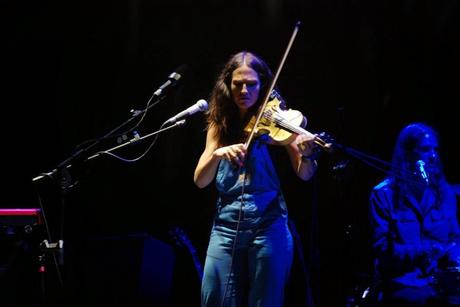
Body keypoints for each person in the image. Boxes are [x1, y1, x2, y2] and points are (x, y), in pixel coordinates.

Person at [193, 51, 318, 307]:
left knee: (266, 301)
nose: (244, 90)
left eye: (251, 84)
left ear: (262, 85)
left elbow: (305, 174)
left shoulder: (279, 122)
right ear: (228, 84)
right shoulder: (220, 122)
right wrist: (218, 153)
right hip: (226, 228)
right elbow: (200, 180)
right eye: (238, 83)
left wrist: (307, 156)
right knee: (214, 299)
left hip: (268, 224)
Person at [369, 122, 460, 306]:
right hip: (403, 285)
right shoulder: (384, 194)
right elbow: (382, 252)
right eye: (425, 149)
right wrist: (425, 250)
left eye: (435, 149)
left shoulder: (443, 192)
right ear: (408, 154)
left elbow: (454, 237)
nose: (433, 156)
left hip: (440, 283)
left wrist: (454, 258)